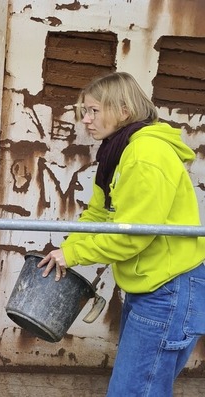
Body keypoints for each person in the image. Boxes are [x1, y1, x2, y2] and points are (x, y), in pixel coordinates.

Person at [36, 72, 205, 396]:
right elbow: (100, 214)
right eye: (84, 111)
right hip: (153, 284)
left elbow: (135, 235)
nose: (85, 119)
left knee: (134, 392)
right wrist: (68, 249)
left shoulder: (146, 156)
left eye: (93, 110)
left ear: (124, 110)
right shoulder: (116, 154)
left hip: (169, 288)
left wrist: (72, 255)